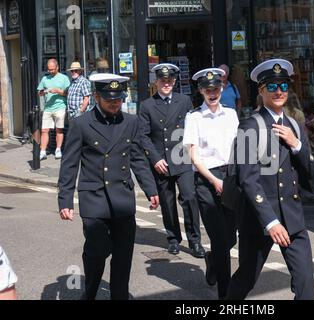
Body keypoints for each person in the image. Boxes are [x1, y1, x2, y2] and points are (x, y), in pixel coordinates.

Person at [57, 73, 160, 300]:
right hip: (93, 197)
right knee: (97, 250)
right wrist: (65, 200)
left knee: (123, 254)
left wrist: (150, 189)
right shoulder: (81, 124)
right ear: (96, 97)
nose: (115, 103)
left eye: (118, 99)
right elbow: (69, 164)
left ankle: (119, 295)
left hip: (122, 196)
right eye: (109, 99)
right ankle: (91, 291)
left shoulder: (131, 122)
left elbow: (137, 159)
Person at [226, 59, 314, 300]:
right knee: (246, 278)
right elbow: (247, 179)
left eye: (284, 86)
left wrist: (297, 145)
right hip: (260, 220)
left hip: (293, 218)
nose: (279, 92)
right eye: (272, 86)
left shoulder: (295, 126)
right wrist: (271, 222)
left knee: (306, 285)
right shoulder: (248, 127)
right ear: (261, 90)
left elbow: (313, 177)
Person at [183, 68, 239, 300]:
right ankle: (225, 296)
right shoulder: (193, 117)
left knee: (231, 238)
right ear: (201, 91)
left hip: (231, 177)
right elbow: (194, 155)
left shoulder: (231, 114)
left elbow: (238, 149)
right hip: (207, 180)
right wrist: (215, 180)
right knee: (219, 239)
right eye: (207, 90)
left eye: (215, 88)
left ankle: (211, 260)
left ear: (222, 88)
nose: (212, 93)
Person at [139, 63, 205, 258]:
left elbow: (192, 128)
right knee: (167, 203)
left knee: (189, 197)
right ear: (156, 82)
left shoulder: (184, 101)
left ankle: (195, 241)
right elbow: (144, 136)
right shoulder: (147, 105)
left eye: (169, 81)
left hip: (182, 157)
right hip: (161, 160)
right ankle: (173, 239)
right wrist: (155, 159)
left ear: (175, 81)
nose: (166, 84)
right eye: (162, 80)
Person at [37, 58, 71, 160]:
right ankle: (42, 151)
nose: (50, 71)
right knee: (44, 130)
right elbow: (39, 92)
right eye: (49, 69)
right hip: (48, 107)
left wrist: (58, 91)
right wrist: (43, 92)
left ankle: (58, 149)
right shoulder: (45, 78)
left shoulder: (64, 78)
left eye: (52, 69)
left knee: (59, 130)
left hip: (60, 106)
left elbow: (68, 93)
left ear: (57, 67)